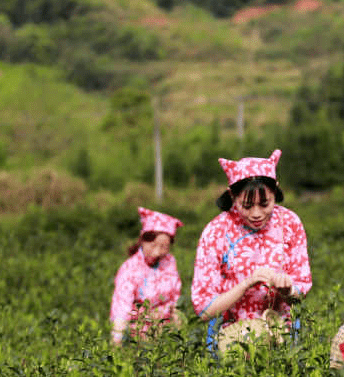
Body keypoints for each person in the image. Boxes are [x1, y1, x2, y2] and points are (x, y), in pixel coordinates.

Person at [191, 149, 312, 350]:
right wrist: (247, 284)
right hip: (232, 336)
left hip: (281, 331)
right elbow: (205, 310)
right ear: (232, 195)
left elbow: (300, 288)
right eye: (247, 205)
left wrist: (287, 289)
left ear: (276, 192)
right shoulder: (217, 231)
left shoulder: (290, 223)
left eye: (265, 204)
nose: (256, 214)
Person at [110, 207, 184, 345]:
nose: (156, 252)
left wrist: (180, 334)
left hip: (165, 331)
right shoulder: (130, 269)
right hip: (137, 334)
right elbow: (121, 308)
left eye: (163, 247)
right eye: (153, 245)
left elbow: (175, 299)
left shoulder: (169, 262)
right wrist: (116, 344)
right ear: (142, 240)